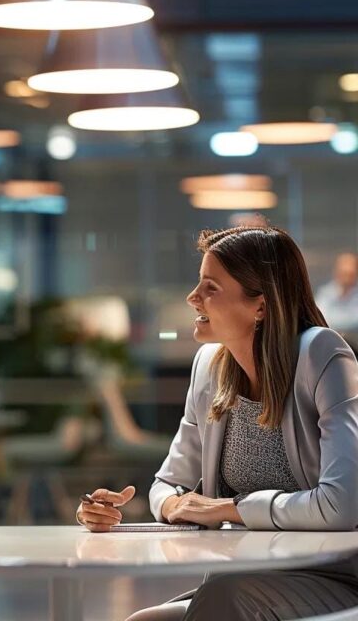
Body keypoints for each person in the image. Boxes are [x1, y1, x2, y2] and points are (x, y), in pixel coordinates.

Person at [79, 226, 358, 621]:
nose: (193, 298)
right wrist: (173, 504)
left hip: (333, 580)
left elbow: (341, 505)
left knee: (221, 599)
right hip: (241, 577)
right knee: (142, 620)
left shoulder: (321, 354)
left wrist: (227, 508)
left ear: (260, 306)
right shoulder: (209, 366)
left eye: (210, 287)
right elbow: (167, 484)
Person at [316, 252, 358, 347]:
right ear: (336, 272)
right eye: (344, 273)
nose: (347, 278)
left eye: (350, 274)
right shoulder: (325, 293)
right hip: (330, 346)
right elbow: (319, 321)